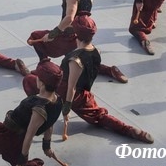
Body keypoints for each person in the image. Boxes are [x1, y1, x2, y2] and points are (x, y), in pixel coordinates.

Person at [26, 15, 153, 145]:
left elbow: (71, 87)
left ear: (76, 33)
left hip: (68, 92)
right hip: (84, 94)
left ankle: (39, 111)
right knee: (99, 116)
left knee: (29, 80)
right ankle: (128, 130)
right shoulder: (95, 51)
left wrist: (66, 109)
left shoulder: (75, 59)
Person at [25, 0, 128, 83]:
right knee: (82, 63)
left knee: (35, 36)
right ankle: (109, 70)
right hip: (78, 38)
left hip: (65, 37)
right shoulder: (89, 0)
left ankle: (44, 68)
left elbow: (69, 18)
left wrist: (53, 34)